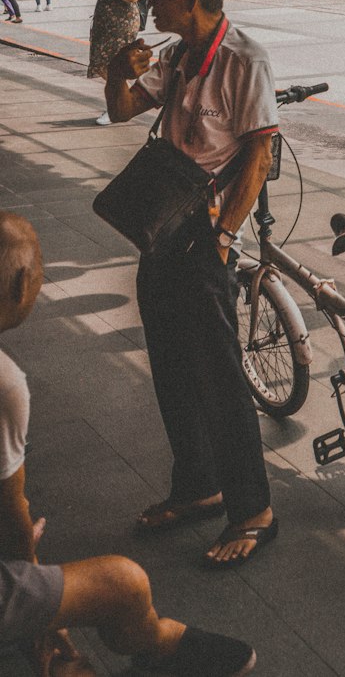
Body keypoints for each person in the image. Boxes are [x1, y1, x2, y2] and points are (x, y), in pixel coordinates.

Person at [0, 212, 256, 677]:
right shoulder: (4, 382)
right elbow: (11, 509)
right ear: (21, 287)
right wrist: (33, 584)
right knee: (125, 583)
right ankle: (135, 650)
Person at [105, 0, 278, 570]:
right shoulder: (178, 56)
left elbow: (259, 152)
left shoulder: (243, 60)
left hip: (205, 237)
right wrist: (116, 69)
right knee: (172, 366)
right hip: (163, 234)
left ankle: (254, 508)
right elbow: (122, 109)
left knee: (221, 377)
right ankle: (198, 486)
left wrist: (226, 235)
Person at [76, 0, 142, 126]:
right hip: (104, 20)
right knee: (99, 62)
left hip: (123, 23)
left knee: (113, 65)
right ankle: (126, 98)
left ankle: (115, 108)